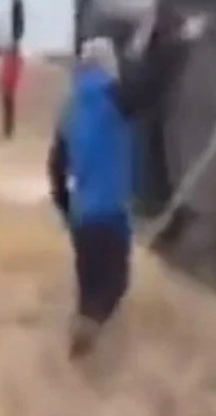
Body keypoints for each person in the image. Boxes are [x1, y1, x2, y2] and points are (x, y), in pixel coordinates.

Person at [48, 37, 133, 358]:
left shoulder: (70, 106)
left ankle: (83, 341)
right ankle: (88, 329)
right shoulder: (114, 96)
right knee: (115, 284)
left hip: (82, 216)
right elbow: (151, 85)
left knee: (89, 287)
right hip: (111, 213)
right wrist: (180, 42)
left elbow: (55, 165)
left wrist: (65, 206)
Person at [0, 0, 24, 139]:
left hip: (8, 85)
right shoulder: (12, 58)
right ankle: (8, 130)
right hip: (8, 84)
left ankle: (8, 130)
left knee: (8, 107)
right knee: (9, 108)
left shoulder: (12, 58)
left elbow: (9, 72)